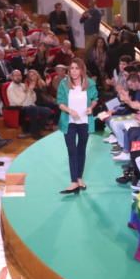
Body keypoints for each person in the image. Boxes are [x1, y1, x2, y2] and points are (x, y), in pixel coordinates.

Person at [58, 59, 98, 195]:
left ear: (82, 69)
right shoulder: (63, 84)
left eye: (77, 68)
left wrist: (91, 108)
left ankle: (79, 178)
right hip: (69, 121)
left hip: (84, 121)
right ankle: (73, 181)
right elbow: (60, 102)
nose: (74, 71)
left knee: (81, 149)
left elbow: (95, 99)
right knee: (72, 150)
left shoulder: (90, 83)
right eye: (72, 68)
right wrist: (70, 111)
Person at [6, 69, 53, 138]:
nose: (18, 77)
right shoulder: (11, 88)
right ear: (12, 77)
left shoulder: (23, 85)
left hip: (29, 106)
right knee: (33, 109)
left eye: (19, 75)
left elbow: (33, 99)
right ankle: (35, 133)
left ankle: (36, 129)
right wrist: (29, 91)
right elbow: (19, 102)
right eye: (16, 75)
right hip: (19, 109)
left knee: (47, 110)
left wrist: (30, 92)